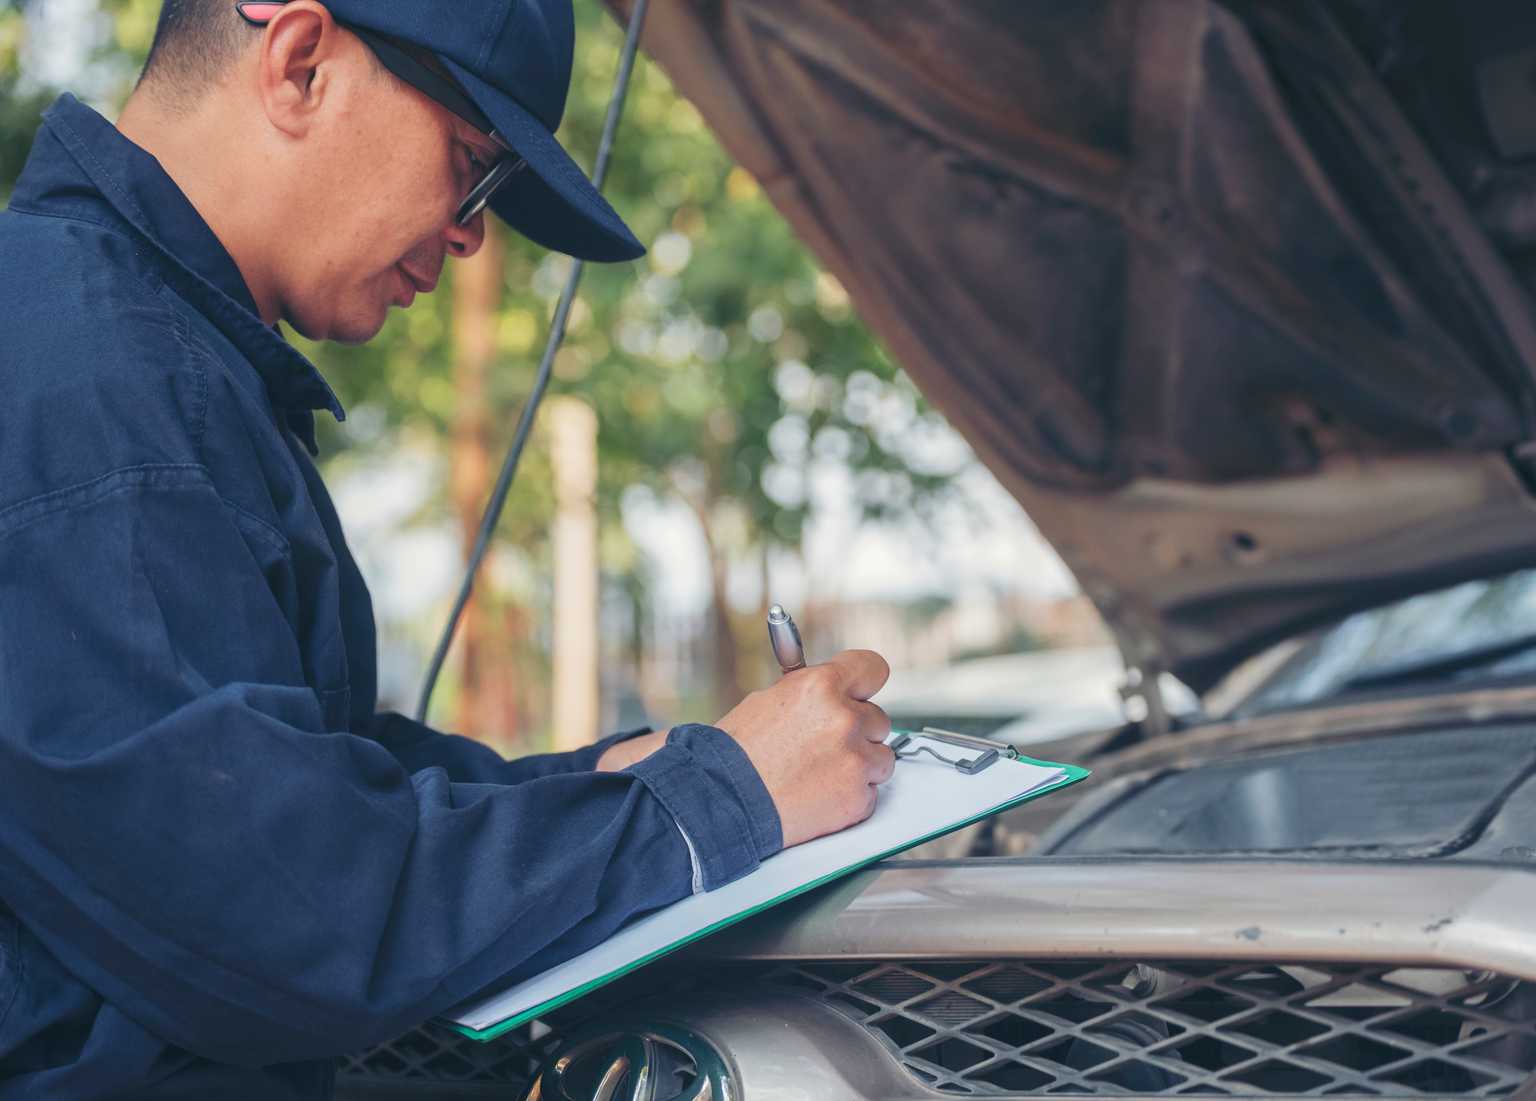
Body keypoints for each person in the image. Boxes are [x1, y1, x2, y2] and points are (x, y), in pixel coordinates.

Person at [0, 0, 895, 1097]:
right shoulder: (87, 375)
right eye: (474, 165)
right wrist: (714, 803)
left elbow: (266, 779)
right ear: (300, 64)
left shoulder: (126, 347)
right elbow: (283, 912)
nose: (475, 232)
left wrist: (599, 781)